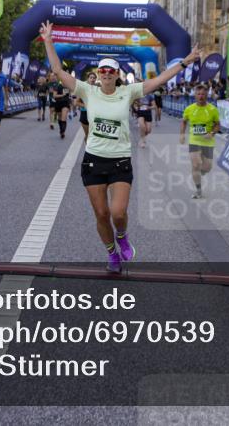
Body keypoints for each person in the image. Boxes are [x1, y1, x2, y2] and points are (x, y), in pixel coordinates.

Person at [40, 20, 200, 273]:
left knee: (117, 213)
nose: (105, 74)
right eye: (102, 70)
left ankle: (122, 235)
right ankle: (112, 253)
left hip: (120, 161)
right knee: (102, 214)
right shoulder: (87, 91)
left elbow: (158, 80)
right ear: (99, 73)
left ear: (117, 75)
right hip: (93, 160)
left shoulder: (128, 92)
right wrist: (49, 41)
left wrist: (184, 62)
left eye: (110, 71)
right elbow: (58, 71)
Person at [180, 84, 221, 199]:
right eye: (198, 94)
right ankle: (198, 190)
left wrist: (212, 133)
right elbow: (183, 122)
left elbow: (218, 125)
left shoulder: (212, 109)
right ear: (195, 95)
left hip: (208, 141)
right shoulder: (189, 109)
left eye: (203, 94)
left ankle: (202, 171)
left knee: (207, 167)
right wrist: (182, 135)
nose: (201, 96)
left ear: (207, 94)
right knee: (196, 164)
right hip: (194, 140)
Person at [51, 73, 71, 139]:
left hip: (66, 103)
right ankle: (61, 130)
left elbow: (71, 95)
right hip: (58, 103)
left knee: (63, 118)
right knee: (59, 118)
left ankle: (63, 132)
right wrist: (62, 95)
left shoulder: (68, 86)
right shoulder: (57, 86)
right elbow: (54, 95)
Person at [78, 71, 96, 141]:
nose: (92, 79)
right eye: (91, 77)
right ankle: (87, 149)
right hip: (85, 114)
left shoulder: (97, 89)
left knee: (93, 135)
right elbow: (76, 102)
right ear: (88, 79)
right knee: (88, 135)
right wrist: (85, 106)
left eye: (94, 78)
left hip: (94, 114)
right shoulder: (83, 89)